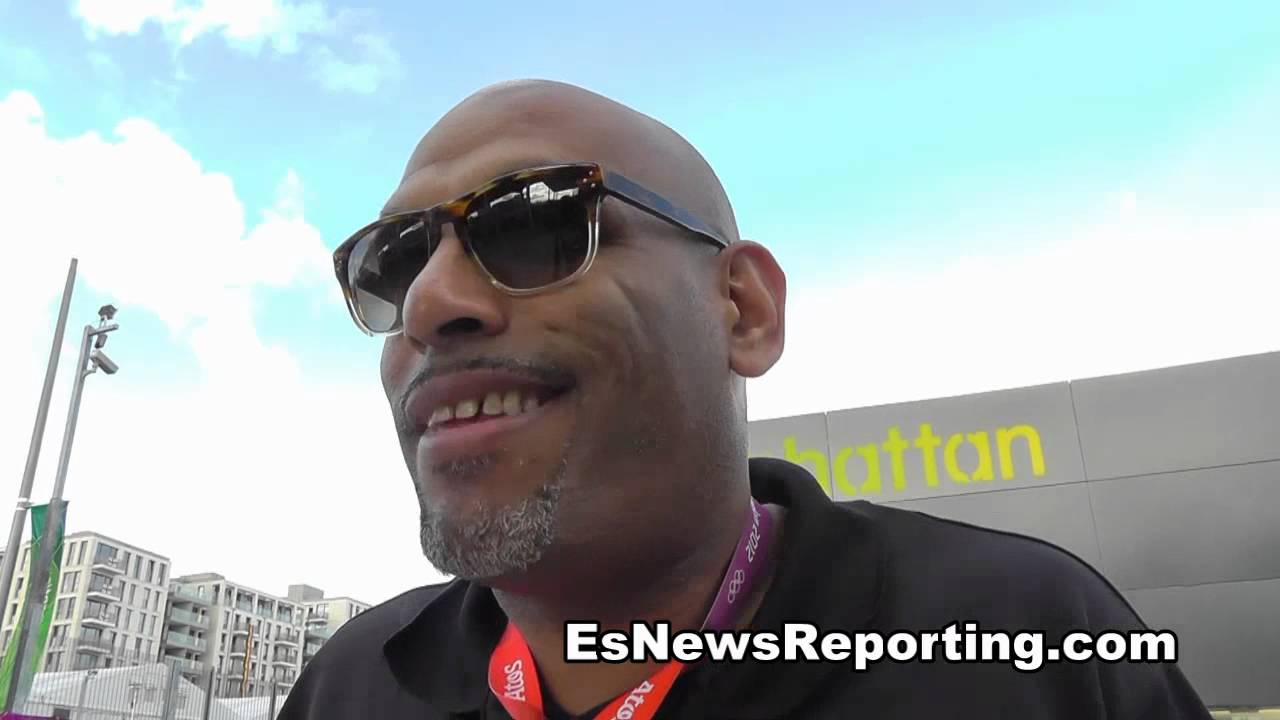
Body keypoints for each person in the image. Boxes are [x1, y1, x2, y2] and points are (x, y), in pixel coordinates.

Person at [279, 79, 1211, 719]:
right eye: (393, 263)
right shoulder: (348, 687)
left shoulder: (1027, 640)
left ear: (743, 310)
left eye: (534, 221)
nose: (428, 304)